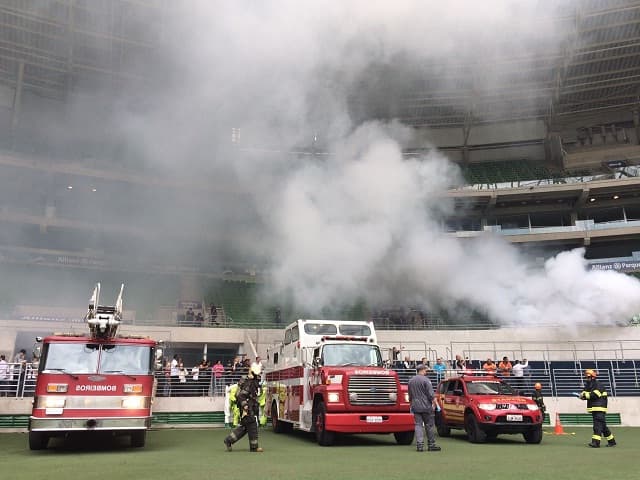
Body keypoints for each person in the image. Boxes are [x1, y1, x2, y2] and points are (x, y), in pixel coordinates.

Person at [224, 362, 264, 452]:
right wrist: (245, 406)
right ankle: (254, 447)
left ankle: (228, 440)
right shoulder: (249, 383)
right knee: (252, 424)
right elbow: (241, 396)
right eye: (259, 373)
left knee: (245, 427)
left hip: (249, 407)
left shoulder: (252, 382)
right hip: (247, 408)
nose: (260, 375)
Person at [407, 363, 441, 452]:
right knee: (429, 425)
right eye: (425, 370)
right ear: (422, 370)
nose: (426, 371)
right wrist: (435, 404)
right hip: (426, 406)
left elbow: (410, 395)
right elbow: (430, 394)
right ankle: (431, 444)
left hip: (415, 405)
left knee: (418, 425)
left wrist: (411, 403)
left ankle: (420, 445)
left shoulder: (411, 381)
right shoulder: (426, 380)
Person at [579, 369, 616, 448]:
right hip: (594, 408)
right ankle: (612, 441)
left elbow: (594, 395)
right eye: (586, 377)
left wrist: (584, 395)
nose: (587, 379)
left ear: (593, 377)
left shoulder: (598, 384)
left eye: (589, 377)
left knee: (597, 426)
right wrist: (582, 396)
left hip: (599, 408)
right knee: (603, 426)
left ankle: (596, 443)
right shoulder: (589, 385)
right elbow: (584, 392)